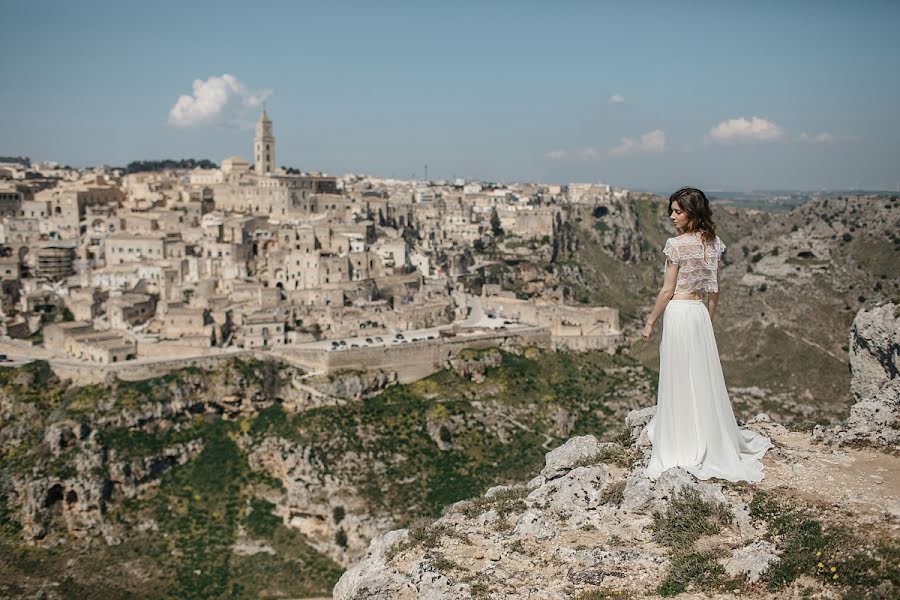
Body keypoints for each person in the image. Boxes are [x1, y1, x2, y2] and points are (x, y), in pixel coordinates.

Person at [640, 187, 772, 482]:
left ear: (692, 212)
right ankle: (705, 434)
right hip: (698, 314)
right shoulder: (713, 244)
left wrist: (650, 321)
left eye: (678, 211)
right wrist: (708, 321)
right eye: (671, 211)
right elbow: (714, 290)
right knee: (701, 376)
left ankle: (680, 438)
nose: (672, 216)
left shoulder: (675, 246)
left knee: (678, 374)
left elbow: (666, 291)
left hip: (678, 313)